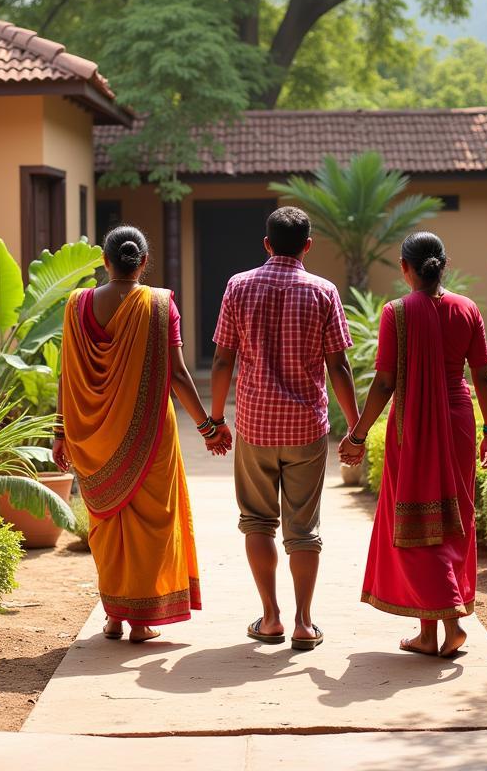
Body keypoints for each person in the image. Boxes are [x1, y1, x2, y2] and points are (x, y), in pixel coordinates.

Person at [53, 226, 231, 643]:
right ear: (144, 263)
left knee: (108, 523)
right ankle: (140, 621)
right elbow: (180, 375)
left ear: (104, 260)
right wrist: (208, 426)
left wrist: (60, 432)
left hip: (91, 436)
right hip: (149, 430)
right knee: (152, 522)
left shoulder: (76, 305)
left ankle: (114, 617)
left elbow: (67, 372)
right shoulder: (159, 304)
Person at [339, 231, 487, 658]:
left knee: (417, 523)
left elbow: (386, 382)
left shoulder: (397, 314)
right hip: (460, 422)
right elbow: (482, 376)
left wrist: (357, 433)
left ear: (405, 268)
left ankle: (445, 623)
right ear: (443, 264)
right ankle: (431, 634)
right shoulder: (467, 309)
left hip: (412, 426)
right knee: (450, 516)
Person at [210, 206, 359, 651]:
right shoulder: (324, 291)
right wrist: (354, 428)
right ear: (308, 246)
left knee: (256, 521)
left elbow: (222, 359)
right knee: (304, 530)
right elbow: (339, 365)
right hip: (306, 430)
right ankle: (304, 623)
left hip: (255, 426)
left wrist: (215, 421)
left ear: (267, 244)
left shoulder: (238, 286)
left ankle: (271, 618)